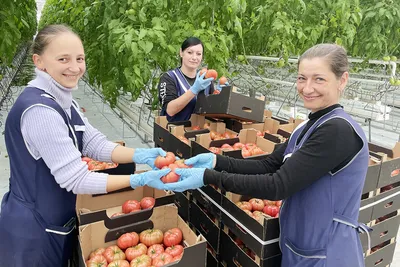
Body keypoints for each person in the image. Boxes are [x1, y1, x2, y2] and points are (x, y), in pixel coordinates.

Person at [163, 44, 370, 267]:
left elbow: (277, 185)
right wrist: (217, 161)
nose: (307, 88)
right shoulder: (308, 126)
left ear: (342, 80)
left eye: (319, 79)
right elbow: (270, 164)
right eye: (302, 78)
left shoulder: (337, 130)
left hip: (329, 253)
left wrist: (208, 177)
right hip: (302, 247)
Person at [0, 24, 170, 266]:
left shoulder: (63, 101)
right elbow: (76, 179)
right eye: (63, 59)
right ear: (39, 61)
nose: (75, 67)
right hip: (33, 233)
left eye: (79, 58)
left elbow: (94, 143)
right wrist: (138, 180)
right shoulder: (40, 111)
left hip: (54, 221)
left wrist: (141, 155)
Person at [158, 37, 226, 122]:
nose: (194, 57)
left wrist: (221, 96)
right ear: (181, 53)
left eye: (198, 54)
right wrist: (194, 90)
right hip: (175, 131)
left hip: (200, 132)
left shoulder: (206, 79)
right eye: (190, 52)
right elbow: (170, 110)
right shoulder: (169, 77)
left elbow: (211, 110)